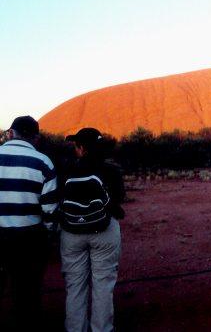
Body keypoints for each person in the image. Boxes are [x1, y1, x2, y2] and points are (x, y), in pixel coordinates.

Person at [60, 128, 125, 332]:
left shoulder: (66, 170)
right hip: (104, 230)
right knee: (103, 284)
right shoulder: (111, 170)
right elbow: (119, 198)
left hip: (71, 233)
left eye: (76, 146)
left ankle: (75, 329)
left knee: (75, 286)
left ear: (81, 149)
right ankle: (102, 329)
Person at [0, 115, 59, 332]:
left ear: (10, 134)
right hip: (28, 240)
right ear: (35, 139)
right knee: (26, 296)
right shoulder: (43, 162)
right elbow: (50, 208)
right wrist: (50, 231)